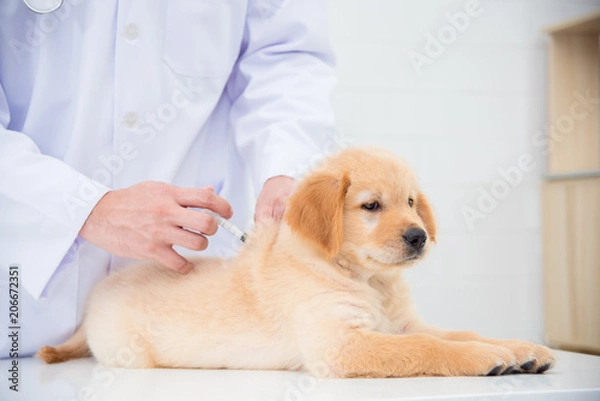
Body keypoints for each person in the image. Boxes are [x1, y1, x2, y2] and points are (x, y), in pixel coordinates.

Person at [0, 0, 336, 357]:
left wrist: (286, 168)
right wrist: (85, 207)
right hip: (23, 312)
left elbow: (284, 55)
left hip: (193, 320)